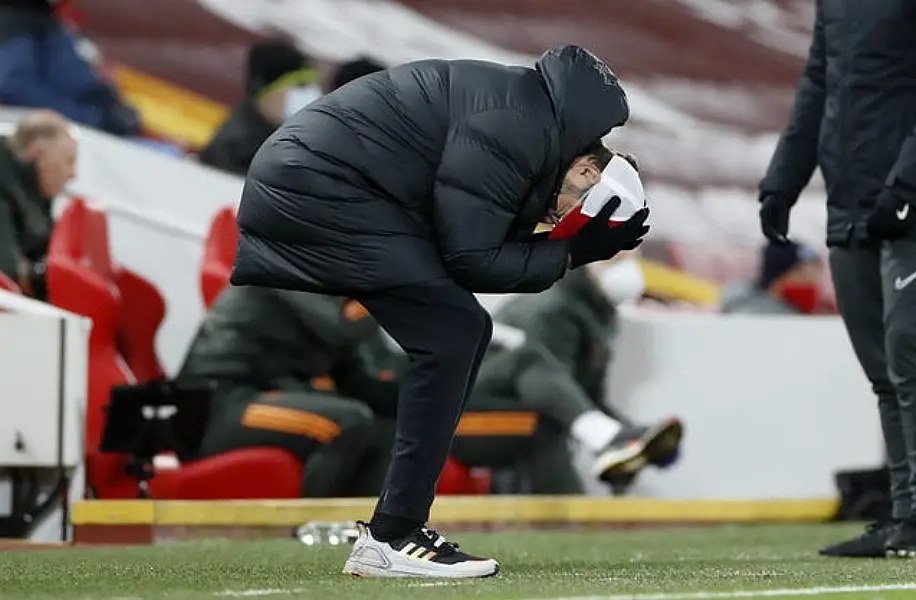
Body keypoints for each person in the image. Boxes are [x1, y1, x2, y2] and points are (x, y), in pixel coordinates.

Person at [230, 44, 650, 578]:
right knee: (455, 332)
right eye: (571, 214)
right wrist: (571, 253)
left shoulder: (527, 119)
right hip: (317, 182)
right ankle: (394, 534)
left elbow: (469, 248)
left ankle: (396, 529)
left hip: (319, 177)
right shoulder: (516, 127)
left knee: (460, 331)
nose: (556, 221)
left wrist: (566, 250)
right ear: (588, 170)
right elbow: (472, 259)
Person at [757, 1, 916, 558]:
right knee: (885, 372)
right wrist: (784, 178)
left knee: (909, 356)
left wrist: (907, 184)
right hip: (851, 207)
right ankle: (907, 519)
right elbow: (819, 81)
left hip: (906, 205)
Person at [176, 285, 398, 497]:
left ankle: (371, 531)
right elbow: (341, 328)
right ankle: (316, 530)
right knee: (346, 423)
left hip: (269, 398)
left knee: (387, 427)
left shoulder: (332, 298)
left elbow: (358, 382)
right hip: (218, 408)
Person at [0, 0, 140, 137]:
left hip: (91, 127)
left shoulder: (45, 19)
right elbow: (14, 87)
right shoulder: (14, 22)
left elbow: (74, 78)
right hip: (66, 135)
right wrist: (93, 119)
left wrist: (110, 106)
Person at [199, 41, 318, 176]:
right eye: (299, 85)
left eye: (312, 85)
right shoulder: (232, 153)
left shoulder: (290, 142)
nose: (310, 96)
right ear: (261, 90)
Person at [0, 110, 77, 300]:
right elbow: (8, 271)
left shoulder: (36, 192)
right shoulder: (6, 190)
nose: (73, 174)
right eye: (68, 161)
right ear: (37, 154)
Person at [720, 241, 824, 315]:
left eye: (816, 277)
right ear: (777, 278)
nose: (812, 284)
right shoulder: (751, 315)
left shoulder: (816, 312)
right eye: (802, 276)